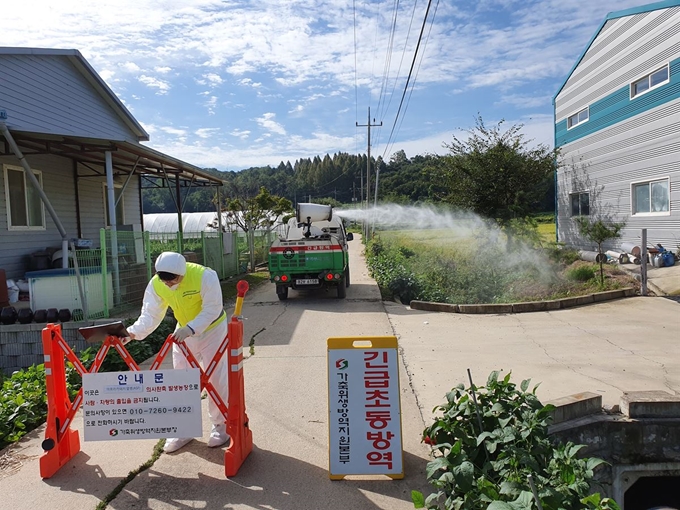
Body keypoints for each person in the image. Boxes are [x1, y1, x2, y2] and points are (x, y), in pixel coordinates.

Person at [127, 251, 230, 453]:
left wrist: (192, 328)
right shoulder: (156, 284)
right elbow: (150, 314)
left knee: (216, 378)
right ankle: (184, 429)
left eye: (173, 280)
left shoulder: (204, 276)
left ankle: (221, 426)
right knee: (182, 381)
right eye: (164, 280)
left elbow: (212, 308)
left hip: (212, 330)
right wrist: (132, 333)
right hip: (183, 332)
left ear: (182, 273)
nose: (168, 284)